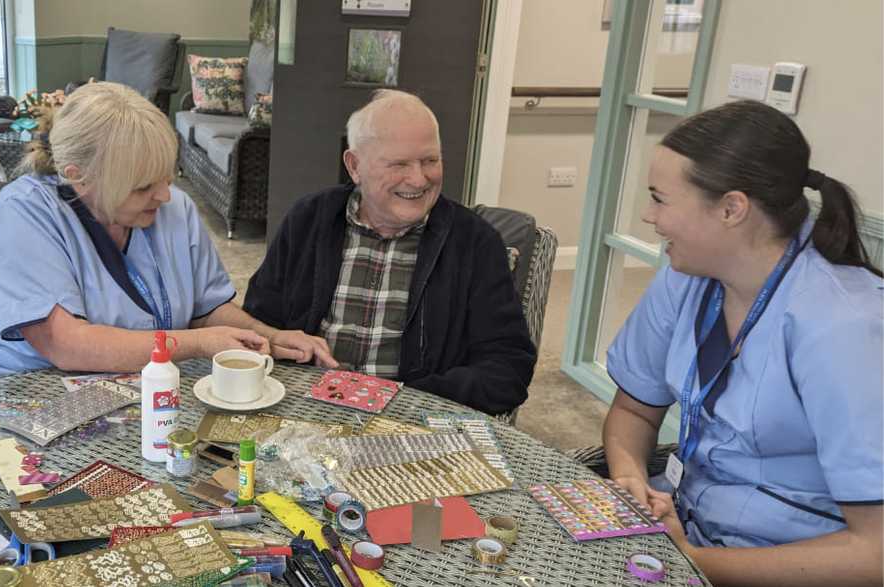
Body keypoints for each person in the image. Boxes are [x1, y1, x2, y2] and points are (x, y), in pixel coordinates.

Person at [603, 100, 882, 586]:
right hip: (685, 529)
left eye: (660, 199)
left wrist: (690, 562)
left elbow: (874, 554)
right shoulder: (687, 274)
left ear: (732, 208)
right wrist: (628, 478)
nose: (649, 216)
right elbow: (634, 411)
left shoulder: (845, 326)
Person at [0, 82, 333, 386]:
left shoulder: (174, 209)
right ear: (76, 177)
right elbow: (66, 345)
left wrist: (267, 335)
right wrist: (195, 345)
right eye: (141, 186)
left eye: (166, 178)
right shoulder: (25, 213)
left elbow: (206, 310)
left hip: (130, 395)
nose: (164, 196)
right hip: (19, 393)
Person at [243, 90, 535, 415]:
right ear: (355, 166)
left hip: (413, 424)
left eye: (430, 160)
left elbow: (508, 368)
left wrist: (403, 400)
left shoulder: (475, 243)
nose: (418, 179)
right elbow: (257, 326)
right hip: (305, 411)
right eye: (399, 164)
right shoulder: (309, 219)